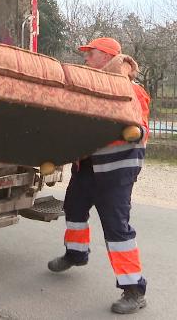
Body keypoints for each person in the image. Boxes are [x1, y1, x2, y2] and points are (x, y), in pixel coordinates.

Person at [48, 37, 151, 315]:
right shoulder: (91, 90)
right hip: (87, 168)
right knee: (73, 209)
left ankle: (134, 290)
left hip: (115, 172)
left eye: (90, 54)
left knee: (117, 229)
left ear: (106, 56)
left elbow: (140, 126)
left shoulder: (130, 89)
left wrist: (137, 131)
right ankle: (76, 254)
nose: (86, 59)